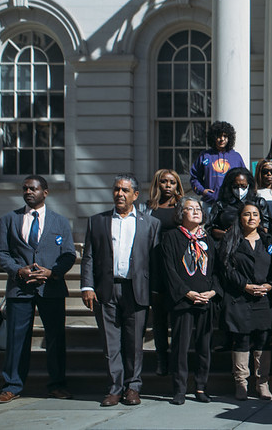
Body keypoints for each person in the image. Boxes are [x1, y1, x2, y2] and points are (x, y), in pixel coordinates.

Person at [0, 175, 76, 404]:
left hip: (51, 289)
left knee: (55, 338)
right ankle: (11, 386)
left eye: (33, 189)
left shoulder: (60, 221)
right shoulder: (9, 219)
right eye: (25, 189)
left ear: (45, 192)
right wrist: (18, 270)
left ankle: (57, 385)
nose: (28, 192)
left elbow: (69, 254)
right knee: (16, 339)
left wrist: (53, 272)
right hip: (20, 289)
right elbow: (1, 252)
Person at [80, 174, 161, 407]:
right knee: (110, 342)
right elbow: (89, 256)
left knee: (134, 343)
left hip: (137, 290)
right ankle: (115, 388)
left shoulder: (150, 223)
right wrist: (87, 286)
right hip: (106, 289)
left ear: (135, 195)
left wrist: (155, 292)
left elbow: (155, 262)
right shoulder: (97, 221)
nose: (120, 194)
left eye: (125, 190)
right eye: (117, 189)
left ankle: (133, 387)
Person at [161, 197, 220, 405]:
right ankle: (179, 389)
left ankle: (201, 386)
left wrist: (212, 292)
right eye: (190, 208)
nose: (196, 212)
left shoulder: (208, 239)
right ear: (180, 213)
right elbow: (169, 270)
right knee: (180, 346)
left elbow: (216, 270)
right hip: (183, 301)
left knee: (204, 346)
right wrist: (186, 292)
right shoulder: (171, 237)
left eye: (198, 209)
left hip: (205, 300)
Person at [217, 201, 272, 401]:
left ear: (260, 219)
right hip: (239, 297)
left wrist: (270, 285)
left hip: (264, 298)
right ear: (240, 218)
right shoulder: (231, 239)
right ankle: (241, 383)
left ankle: (262, 383)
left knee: (263, 339)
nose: (251, 217)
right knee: (242, 340)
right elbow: (226, 268)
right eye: (247, 214)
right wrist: (244, 285)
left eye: (255, 214)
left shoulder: (268, 240)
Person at [142, 168, 184, 376]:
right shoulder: (147, 208)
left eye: (172, 182)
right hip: (156, 265)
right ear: (157, 184)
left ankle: (176, 359)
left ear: (177, 185)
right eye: (164, 182)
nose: (168, 186)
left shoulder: (182, 207)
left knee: (178, 317)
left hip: (178, 266)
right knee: (159, 317)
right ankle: (162, 358)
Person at [189, 121, 246, 207]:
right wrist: (202, 191)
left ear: (229, 138)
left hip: (231, 204)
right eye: (219, 136)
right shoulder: (205, 155)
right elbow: (195, 177)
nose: (222, 139)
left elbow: (245, 178)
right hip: (210, 203)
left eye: (225, 136)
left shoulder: (236, 157)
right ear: (213, 137)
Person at [207, 167, 272, 240]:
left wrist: (249, 229)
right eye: (236, 186)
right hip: (227, 242)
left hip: (253, 241)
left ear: (249, 185)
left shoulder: (258, 202)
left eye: (243, 186)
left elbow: (266, 227)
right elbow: (210, 228)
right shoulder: (221, 204)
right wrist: (227, 234)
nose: (239, 189)